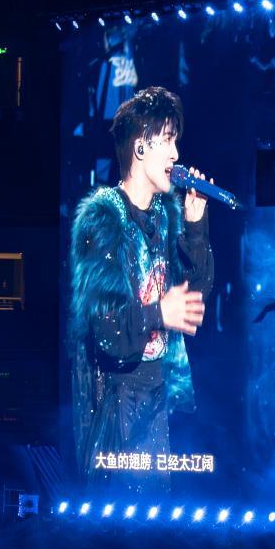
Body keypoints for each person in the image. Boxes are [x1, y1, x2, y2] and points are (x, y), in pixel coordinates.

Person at [69, 86, 215, 490]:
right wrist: (159, 313)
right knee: (120, 515)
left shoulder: (167, 217)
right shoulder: (103, 219)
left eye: (175, 141)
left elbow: (194, 298)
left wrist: (195, 228)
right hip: (114, 404)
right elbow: (107, 330)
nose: (175, 154)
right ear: (139, 147)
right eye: (167, 140)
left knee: (156, 513)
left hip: (157, 400)